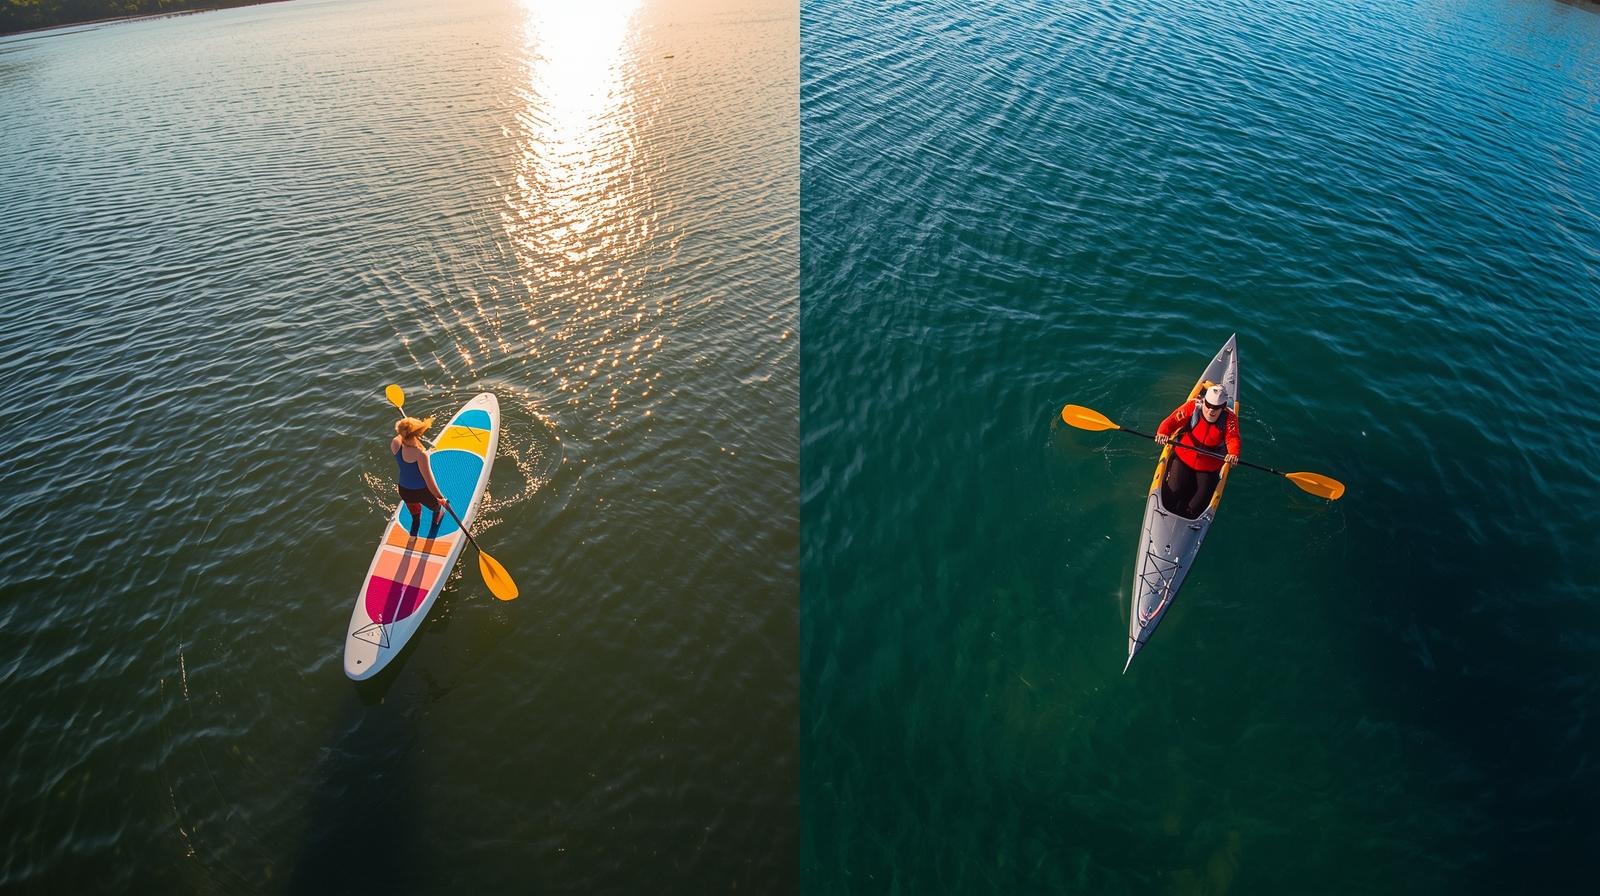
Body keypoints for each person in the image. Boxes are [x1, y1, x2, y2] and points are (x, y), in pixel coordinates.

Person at [1154, 383, 1240, 518]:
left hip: (1209, 466)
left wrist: (1233, 454)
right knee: (1172, 496)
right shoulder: (1193, 407)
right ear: (1204, 401)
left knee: (1196, 507)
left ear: (1223, 408)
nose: (1211, 410)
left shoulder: (1230, 419)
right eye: (1209, 405)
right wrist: (1162, 433)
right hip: (1183, 457)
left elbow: (1233, 438)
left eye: (1216, 408)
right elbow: (1171, 421)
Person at [392, 416, 450, 536]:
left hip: (404, 490)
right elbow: (429, 480)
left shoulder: (395, 444)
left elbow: (401, 435)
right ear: (417, 434)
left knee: (415, 515)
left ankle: (413, 534)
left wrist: (406, 427)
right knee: (438, 508)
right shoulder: (421, 455)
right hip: (422, 492)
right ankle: (436, 517)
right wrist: (441, 498)